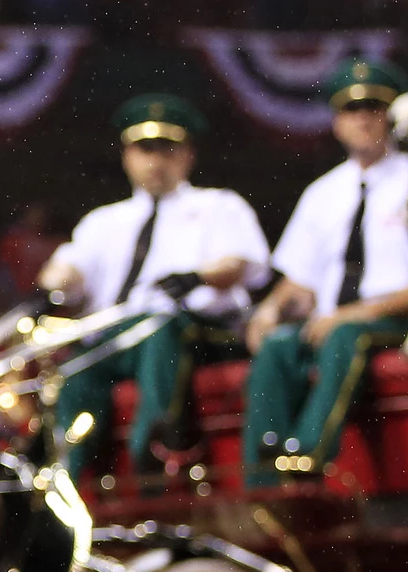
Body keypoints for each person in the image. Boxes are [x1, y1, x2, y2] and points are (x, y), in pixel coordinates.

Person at [37, 95, 270, 477]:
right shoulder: (104, 221)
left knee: (159, 328)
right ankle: (69, 474)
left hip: (197, 333)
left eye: (167, 149)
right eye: (145, 150)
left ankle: (152, 453)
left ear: (188, 155)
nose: (156, 161)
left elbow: (242, 262)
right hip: (118, 335)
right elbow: (69, 268)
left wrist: (198, 276)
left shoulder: (219, 206)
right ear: (127, 156)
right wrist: (54, 282)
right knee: (78, 365)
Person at [241, 55, 408, 486]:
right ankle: (261, 477)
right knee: (277, 346)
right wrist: (269, 310)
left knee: (346, 336)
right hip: (329, 322)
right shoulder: (323, 192)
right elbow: (302, 284)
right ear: (337, 122)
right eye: (351, 110)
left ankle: (306, 456)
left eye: (374, 109)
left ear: (392, 117)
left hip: (399, 319)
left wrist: (350, 315)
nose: (362, 119)